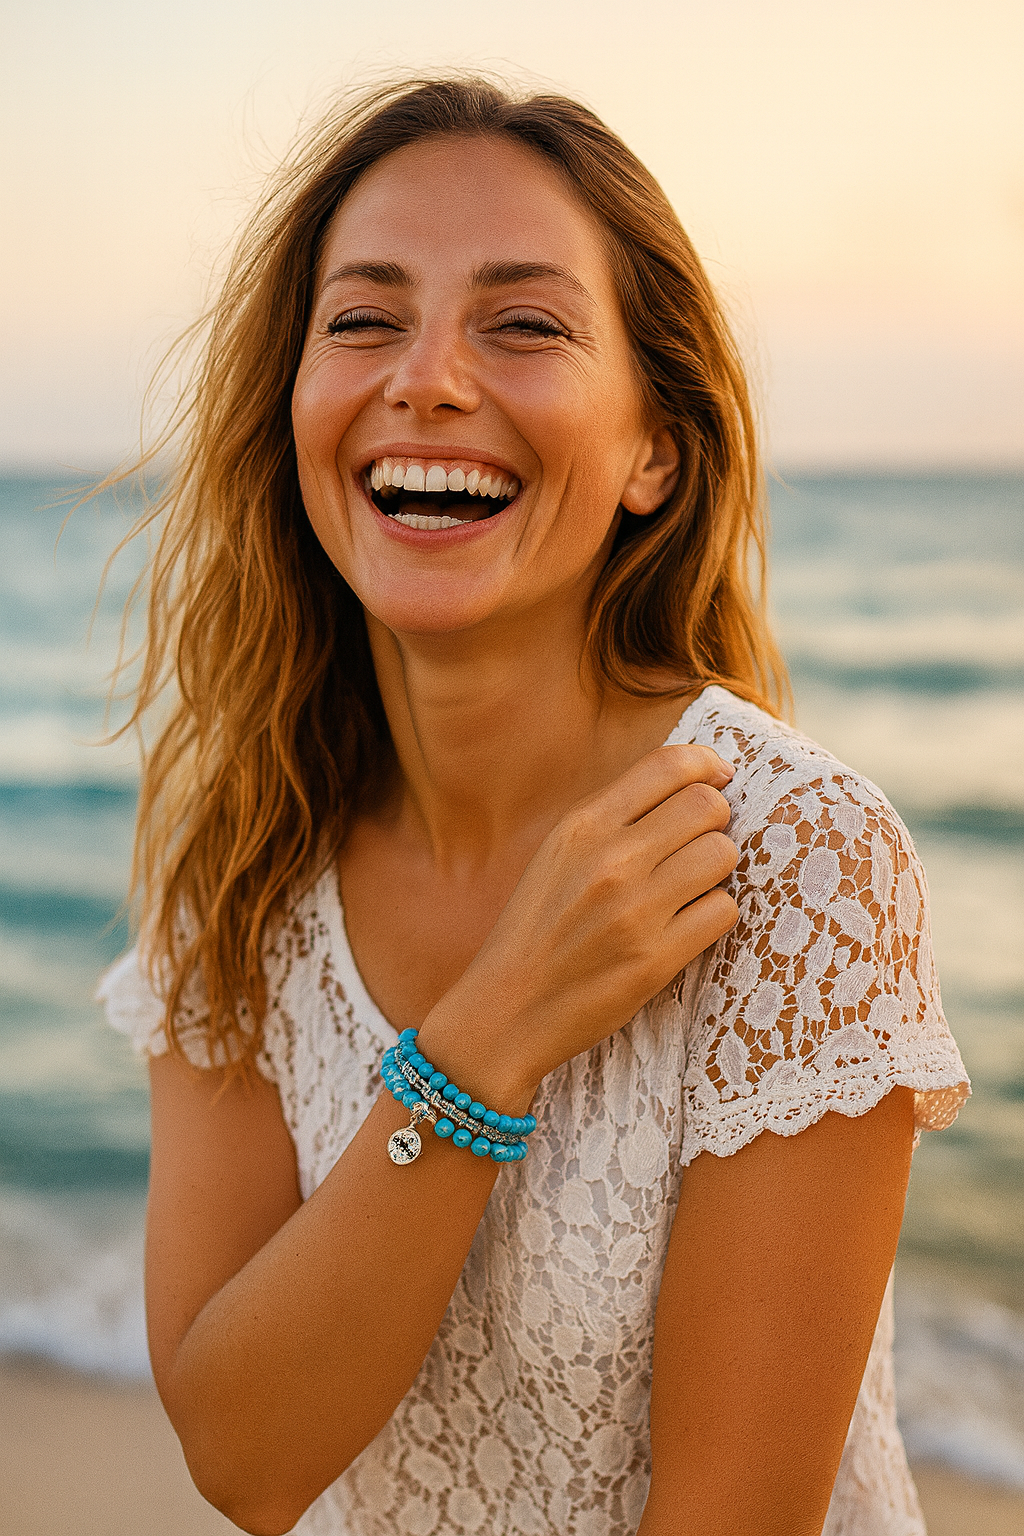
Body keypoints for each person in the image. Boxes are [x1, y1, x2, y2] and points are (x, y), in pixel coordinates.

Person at [99, 76, 969, 1536]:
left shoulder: (798, 857)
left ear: (654, 450)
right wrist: (489, 1036)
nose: (428, 380)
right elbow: (243, 1455)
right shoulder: (238, 846)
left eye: (527, 323)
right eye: (364, 319)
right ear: (294, 406)